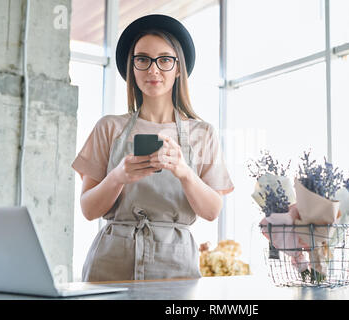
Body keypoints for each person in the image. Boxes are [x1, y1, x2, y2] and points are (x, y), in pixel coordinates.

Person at [71, 14, 234, 281]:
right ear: (132, 67)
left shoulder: (202, 133)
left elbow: (212, 211)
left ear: (179, 68)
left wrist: (184, 172)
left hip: (175, 266)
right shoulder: (109, 128)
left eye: (165, 60)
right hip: (111, 263)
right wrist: (118, 177)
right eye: (143, 59)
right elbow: (89, 210)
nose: (153, 70)